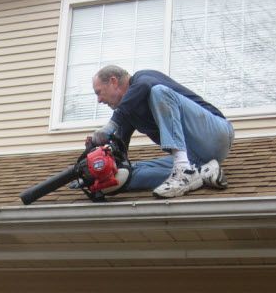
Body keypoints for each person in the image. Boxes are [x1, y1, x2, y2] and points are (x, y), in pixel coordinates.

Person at [90, 65, 234, 198]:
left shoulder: (142, 78)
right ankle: (201, 173)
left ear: (113, 81)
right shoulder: (129, 114)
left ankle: (183, 170)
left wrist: (111, 125)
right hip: (196, 157)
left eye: (99, 92)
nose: (99, 100)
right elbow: (120, 151)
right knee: (127, 171)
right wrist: (96, 166)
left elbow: (144, 86)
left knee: (158, 91)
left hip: (216, 133)